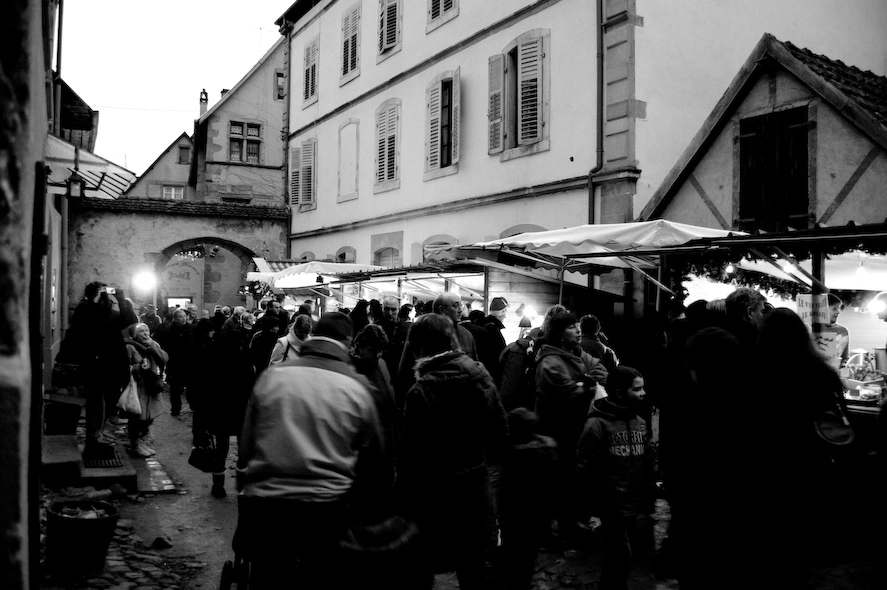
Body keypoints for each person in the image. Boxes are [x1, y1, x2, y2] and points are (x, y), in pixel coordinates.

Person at [235, 312, 389, 588]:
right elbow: (374, 456)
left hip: (269, 502)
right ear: (347, 342)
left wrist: (242, 475)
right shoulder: (358, 388)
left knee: (267, 575)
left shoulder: (273, 378)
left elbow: (246, 446)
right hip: (326, 507)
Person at [397, 313, 508, 589]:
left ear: (420, 347)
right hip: (474, 488)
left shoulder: (420, 391)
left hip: (435, 495)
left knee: (423, 569)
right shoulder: (481, 375)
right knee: (473, 570)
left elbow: (411, 458)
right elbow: (500, 434)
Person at [576, 366, 654, 590]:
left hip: (632, 503)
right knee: (620, 555)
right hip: (609, 505)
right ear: (619, 393)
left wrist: (647, 499)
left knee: (620, 559)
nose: (643, 393)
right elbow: (585, 467)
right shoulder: (597, 425)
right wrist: (588, 505)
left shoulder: (639, 422)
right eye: (637, 389)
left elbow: (647, 464)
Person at [535, 311, 608, 546]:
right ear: (558, 333)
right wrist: (587, 384)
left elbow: (601, 371)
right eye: (571, 327)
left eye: (577, 326)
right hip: (555, 431)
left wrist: (584, 380)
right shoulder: (549, 361)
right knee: (555, 483)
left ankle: (567, 527)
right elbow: (566, 393)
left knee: (568, 481)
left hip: (574, 430)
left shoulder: (576, 353)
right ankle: (549, 534)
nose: (577, 330)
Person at [64, 282, 131, 460]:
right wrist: (97, 300)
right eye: (103, 292)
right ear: (94, 294)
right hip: (95, 364)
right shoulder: (85, 309)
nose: (106, 295)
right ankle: (94, 440)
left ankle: (97, 436)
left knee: (105, 401)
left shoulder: (104, 308)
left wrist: (121, 299)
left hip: (110, 363)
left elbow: (128, 321)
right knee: (96, 402)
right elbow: (91, 325)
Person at [498, 408, 558, 590]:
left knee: (517, 561)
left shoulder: (512, 454)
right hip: (537, 517)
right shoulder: (547, 449)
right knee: (528, 558)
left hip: (516, 518)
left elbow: (505, 493)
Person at [395, 292, 478, 410]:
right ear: (442, 309)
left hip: (462, 404)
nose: (460, 310)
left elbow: (474, 365)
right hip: (430, 404)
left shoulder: (466, 335)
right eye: (455, 306)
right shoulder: (423, 332)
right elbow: (406, 369)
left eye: (461, 306)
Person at [210, 312, 256, 498]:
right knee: (242, 447)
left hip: (222, 408)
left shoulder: (217, 358)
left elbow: (211, 384)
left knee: (221, 448)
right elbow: (251, 383)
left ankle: (218, 486)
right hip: (241, 408)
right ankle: (241, 484)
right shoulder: (244, 359)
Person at [122, 323, 168, 457]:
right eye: (141, 331)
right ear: (135, 334)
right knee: (137, 417)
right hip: (138, 386)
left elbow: (164, 359)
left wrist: (153, 346)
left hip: (152, 386)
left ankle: (141, 441)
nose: (145, 333)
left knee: (149, 416)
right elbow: (125, 367)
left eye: (147, 330)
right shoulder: (130, 346)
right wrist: (138, 367)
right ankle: (135, 444)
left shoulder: (153, 344)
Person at [154, 308, 193, 416]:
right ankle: (175, 408)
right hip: (174, 363)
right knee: (175, 388)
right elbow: (161, 345)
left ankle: (192, 404)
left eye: (185, 316)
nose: (184, 319)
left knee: (190, 386)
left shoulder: (192, 329)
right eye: (180, 317)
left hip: (188, 363)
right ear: (175, 319)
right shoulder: (168, 330)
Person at [483, 297, 509, 381]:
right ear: (500, 314)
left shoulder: (488, 325)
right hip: (492, 373)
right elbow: (497, 351)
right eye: (504, 313)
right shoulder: (492, 328)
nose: (505, 317)